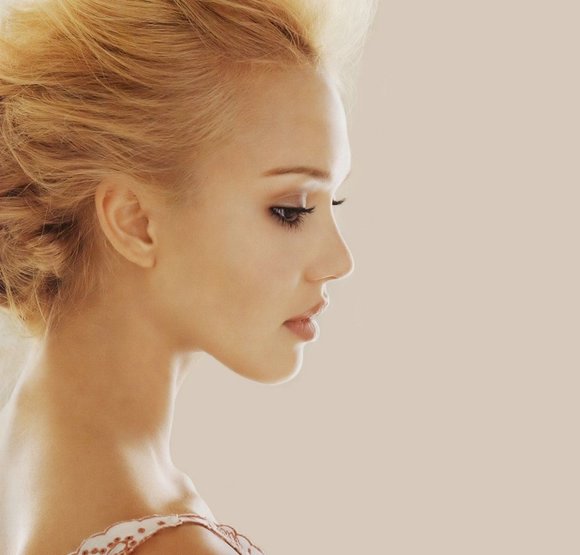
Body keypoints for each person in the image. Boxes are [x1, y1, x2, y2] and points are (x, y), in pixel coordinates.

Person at [0, 0, 375, 553]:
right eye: (291, 210)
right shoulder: (168, 543)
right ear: (135, 222)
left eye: (332, 201)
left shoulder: (25, 448)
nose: (339, 261)